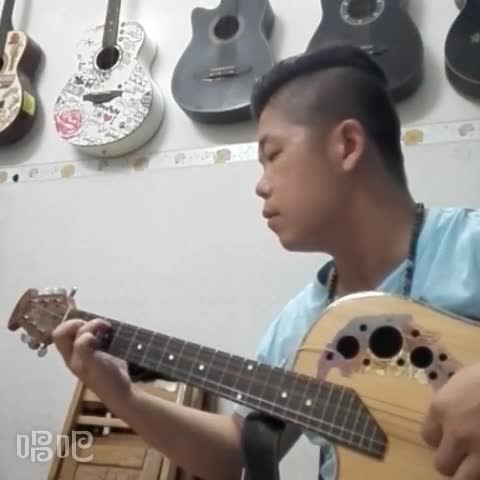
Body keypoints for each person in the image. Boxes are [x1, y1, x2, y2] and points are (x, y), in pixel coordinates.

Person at [52, 45, 480, 480]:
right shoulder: (303, 322)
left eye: (272, 156)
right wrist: (124, 397)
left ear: (347, 145)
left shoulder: (470, 245)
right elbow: (233, 452)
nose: (260, 186)